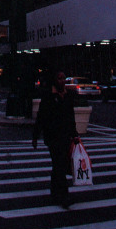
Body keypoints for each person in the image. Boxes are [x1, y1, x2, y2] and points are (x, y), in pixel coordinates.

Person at [32, 70, 79, 208]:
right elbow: (41, 117)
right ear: (54, 80)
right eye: (59, 78)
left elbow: (71, 117)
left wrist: (74, 133)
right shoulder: (48, 96)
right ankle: (63, 195)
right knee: (59, 165)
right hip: (53, 136)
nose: (62, 81)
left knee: (59, 165)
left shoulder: (68, 96)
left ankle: (55, 193)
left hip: (65, 136)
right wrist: (36, 136)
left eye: (64, 78)